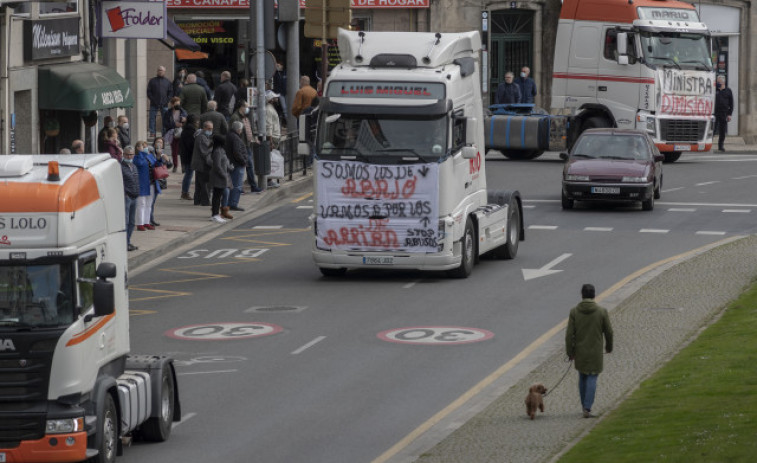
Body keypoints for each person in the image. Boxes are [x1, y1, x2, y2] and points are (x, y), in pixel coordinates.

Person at [565, 283, 614, 419]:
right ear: (594, 295)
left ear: (582, 295)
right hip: (595, 351)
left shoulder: (574, 311)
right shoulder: (601, 311)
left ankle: (583, 405)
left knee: (582, 376)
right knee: (592, 376)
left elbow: (569, 334)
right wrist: (609, 347)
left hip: (580, 351)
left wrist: (570, 352)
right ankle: (587, 407)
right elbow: (609, 332)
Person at [230, 99, 262, 193]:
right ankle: (239, 187)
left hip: (246, 144)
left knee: (248, 166)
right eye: (246, 107)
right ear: (242, 107)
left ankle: (249, 186)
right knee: (243, 167)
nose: (248, 109)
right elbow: (235, 132)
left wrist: (253, 138)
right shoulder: (235, 118)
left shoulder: (245, 117)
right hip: (241, 145)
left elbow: (249, 129)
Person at [133, 141, 162, 231]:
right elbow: (139, 164)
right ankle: (140, 223)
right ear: (138, 148)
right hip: (141, 183)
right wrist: (141, 153)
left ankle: (146, 222)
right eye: (143, 146)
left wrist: (159, 157)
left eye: (146, 146)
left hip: (151, 183)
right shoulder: (137, 157)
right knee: (141, 204)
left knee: (149, 204)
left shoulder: (149, 156)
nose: (146, 148)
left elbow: (157, 165)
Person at [209, 134, 232, 223]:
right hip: (218, 177)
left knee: (218, 196)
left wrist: (229, 167)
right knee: (216, 196)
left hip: (221, 177)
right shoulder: (217, 152)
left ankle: (216, 214)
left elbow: (224, 163)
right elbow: (217, 166)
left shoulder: (222, 150)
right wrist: (224, 175)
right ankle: (215, 215)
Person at [226, 121, 248, 212]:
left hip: (231, 163)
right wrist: (243, 161)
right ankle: (233, 203)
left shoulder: (229, 135)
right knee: (237, 185)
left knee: (231, 185)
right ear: (239, 130)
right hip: (237, 164)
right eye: (241, 129)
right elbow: (236, 152)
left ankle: (228, 202)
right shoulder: (235, 138)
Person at [191, 120, 214, 206]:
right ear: (204, 128)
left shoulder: (202, 136)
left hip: (199, 164)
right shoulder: (202, 137)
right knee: (205, 184)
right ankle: (205, 201)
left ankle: (197, 200)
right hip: (202, 164)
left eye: (211, 129)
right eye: (209, 128)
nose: (210, 130)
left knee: (199, 184)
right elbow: (205, 151)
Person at [148, 139, 170, 227]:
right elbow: (153, 165)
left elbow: (169, 165)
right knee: (150, 202)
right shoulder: (151, 153)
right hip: (153, 179)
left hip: (160, 180)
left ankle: (151, 219)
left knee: (153, 201)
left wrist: (166, 159)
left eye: (161, 142)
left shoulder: (163, 153)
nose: (159, 144)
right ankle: (149, 219)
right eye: (158, 142)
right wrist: (158, 157)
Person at [147, 65, 174, 138]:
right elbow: (149, 92)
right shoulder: (152, 81)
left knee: (165, 119)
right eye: (159, 70)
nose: (160, 71)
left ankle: (164, 132)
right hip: (154, 103)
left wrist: (166, 101)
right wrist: (153, 100)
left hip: (164, 104)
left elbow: (170, 93)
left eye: (161, 70)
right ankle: (152, 132)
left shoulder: (168, 82)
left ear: (164, 72)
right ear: (157, 71)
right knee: (152, 118)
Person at [121, 146, 139, 251]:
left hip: (134, 196)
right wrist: (125, 194)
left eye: (131, 154)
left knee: (132, 222)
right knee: (126, 221)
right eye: (127, 154)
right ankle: (124, 243)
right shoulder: (121, 167)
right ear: (123, 154)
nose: (129, 156)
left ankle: (127, 241)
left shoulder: (133, 166)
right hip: (127, 197)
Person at [163, 96, 187, 171]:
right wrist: (174, 125)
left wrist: (184, 121)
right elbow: (165, 123)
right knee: (174, 150)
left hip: (181, 132)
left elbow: (187, 121)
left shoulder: (183, 111)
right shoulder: (168, 112)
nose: (177, 106)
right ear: (172, 104)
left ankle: (183, 166)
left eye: (179, 104)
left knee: (182, 150)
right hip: (172, 132)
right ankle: (175, 165)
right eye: (176, 104)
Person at [179, 114, 200, 201]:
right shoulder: (190, 131)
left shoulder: (187, 129)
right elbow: (190, 145)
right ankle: (185, 192)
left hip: (186, 155)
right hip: (189, 156)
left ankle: (185, 192)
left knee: (188, 174)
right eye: (197, 121)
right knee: (189, 174)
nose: (198, 123)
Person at [265, 90, 282, 188]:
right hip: (273, 137)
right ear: (271, 100)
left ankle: (269, 179)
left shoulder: (270, 108)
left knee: (270, 159)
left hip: (275, 136)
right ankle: (269, 180)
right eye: (275, 98)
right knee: (269, 159)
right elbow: (269, 126)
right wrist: (270, 141)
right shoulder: (269, 110)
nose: (277, 99)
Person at [714, 76, 733, 152]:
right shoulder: (715, 90)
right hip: (715, 113)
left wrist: (729, 114)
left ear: (723, 82)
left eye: (719, 82)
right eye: (717, 82)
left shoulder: (728, 91)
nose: (717, 83)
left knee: (722, 131)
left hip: (724, 113)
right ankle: (708, 144)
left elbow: (731, 104)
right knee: (713, 130)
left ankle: (720, 145)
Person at [301, 96, 320, 166]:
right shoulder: (314, 111)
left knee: (310, 148)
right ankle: (310, 163)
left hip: (304, 131)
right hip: (311, 132)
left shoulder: (306, 110)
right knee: (312, 148)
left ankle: (308, 163)